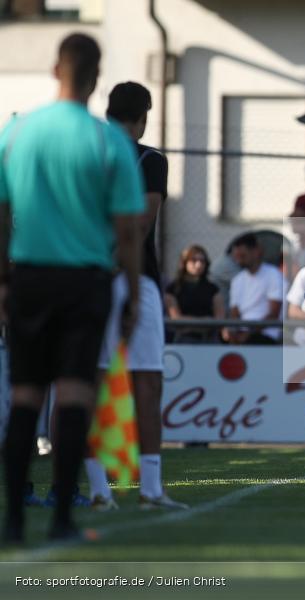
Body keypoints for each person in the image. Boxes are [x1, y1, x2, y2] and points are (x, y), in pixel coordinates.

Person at [0, 33, 145, 542]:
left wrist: (3, 279)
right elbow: (128, 231)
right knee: (74, 395)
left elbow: (1, 212)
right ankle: (62, 518)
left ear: (54, 68)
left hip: (29, 278)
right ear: (96, 75)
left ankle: (13, 519)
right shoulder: (110, 143)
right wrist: (130, 293)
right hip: (86, 282)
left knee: (23, 396)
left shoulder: (16, 133)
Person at [86, 81, 188, 511]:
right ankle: (149, 488)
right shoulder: (149, 159)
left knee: (86, 383)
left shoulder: (86, 155)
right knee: (147, 381)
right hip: (135, 278)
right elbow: (142, 222)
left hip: (86, 277)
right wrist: (118, 266)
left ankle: (96, 489)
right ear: (144, 115)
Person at [223, 233, 285, 345]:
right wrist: (233, 333)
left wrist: (248, 334)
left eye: (242, 256)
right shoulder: (237, 280)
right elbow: (234, 314)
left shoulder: (273, 275)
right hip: (243, 334)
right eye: (236, 257)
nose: (238, 260)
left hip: (265, 335)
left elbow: (273, 314)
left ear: (256, 252)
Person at [165, 244, 225, 343]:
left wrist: (190, 324)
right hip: (184, 340)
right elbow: (176, 319)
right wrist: (205, 322)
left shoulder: (213, 289)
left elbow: (219, 319)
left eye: (202, 261)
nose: (198, 265)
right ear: (184, 263)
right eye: (193, 260)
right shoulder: (173, 289)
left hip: (209, 340)